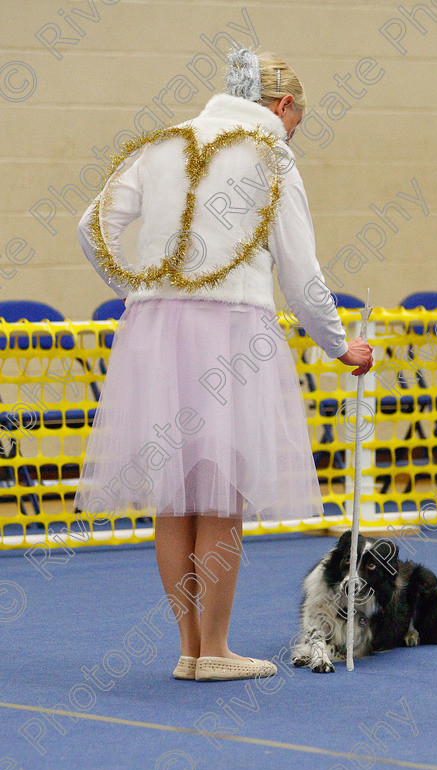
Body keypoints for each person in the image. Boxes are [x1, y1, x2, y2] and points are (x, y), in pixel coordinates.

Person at [75, 48, 373, 682]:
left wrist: (135, 286)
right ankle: (216, 646)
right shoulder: (271, 156)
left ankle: (190, 648)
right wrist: (339, 344)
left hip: (155, 332)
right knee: (221, 494)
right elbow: (301, 271)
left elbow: (91, 227)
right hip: (232, 332)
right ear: (283, 105)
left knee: (173, 497)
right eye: (298, 119)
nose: (294, 132)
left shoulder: (163, 144)